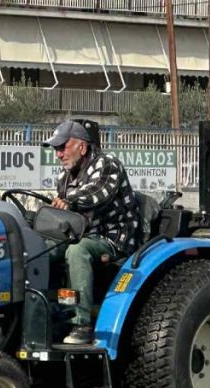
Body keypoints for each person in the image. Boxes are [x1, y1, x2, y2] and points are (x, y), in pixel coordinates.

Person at [42, 119, 140, 345]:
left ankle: (81, 323)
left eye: (62, 147)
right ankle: (43, 313)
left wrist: (69, 200)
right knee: (40, 250)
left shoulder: (107, 165)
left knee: (77, 251)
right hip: (81, 234)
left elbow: (97, 194)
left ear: (82, 147)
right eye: (56, 149)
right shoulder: (64, 178)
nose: (58, 154)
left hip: (113, 238)